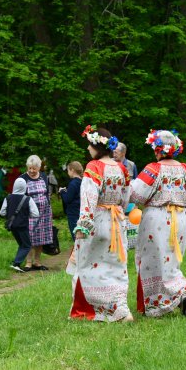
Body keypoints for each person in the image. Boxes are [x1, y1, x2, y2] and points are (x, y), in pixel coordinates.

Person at [130, 129, 186, 317]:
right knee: (172, 261)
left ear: (157, 149)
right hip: (181, 217)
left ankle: (164, 301)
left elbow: (136, 194)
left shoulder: (153, 169)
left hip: (157, 218)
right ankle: (181, 294)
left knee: (153, 261)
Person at [66, 125, 133, 322]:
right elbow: (126, 197)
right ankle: (120, 308)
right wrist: (118, 210)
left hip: (97, 221)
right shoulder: (121, 168)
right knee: (115, 267)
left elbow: (89, 197)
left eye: (89, 145)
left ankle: (90, 308)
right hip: (117, 222)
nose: (88, 148)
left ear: (97, 146)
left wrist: (83, 225)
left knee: (88, 266)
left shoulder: (94, 167)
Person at [20, 155, 53, 270]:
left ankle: (37, 262)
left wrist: (48, 206)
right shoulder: (22, 178)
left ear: (39, 167)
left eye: (34, 168)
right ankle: (28, 262)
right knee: (29, 237)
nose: (31, 171)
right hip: (29, 213)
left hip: (44, 212)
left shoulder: (43, 176)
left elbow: (46, 193)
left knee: (41, 237)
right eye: (29, 168)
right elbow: (19, 196)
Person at [0, 178, 40, 272]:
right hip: (23, 226)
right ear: (25, 187)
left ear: (14, 186)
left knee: (22, 244)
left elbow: (2, 212)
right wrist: (26, 215)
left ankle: (16, 262)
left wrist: (10, 214)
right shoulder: (28, 199)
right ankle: (16, 263)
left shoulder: (8, 197)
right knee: (27, 245)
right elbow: (36, 214)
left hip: (12, 226)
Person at [59, 161, 84, 239]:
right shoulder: (83, 181)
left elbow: (67, 199)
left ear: (72, 170)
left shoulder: (73, 183)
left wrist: (62, 191)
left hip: (73, 213)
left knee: (76, 236)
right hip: (82, 211)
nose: (68, 173)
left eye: (68, 170)